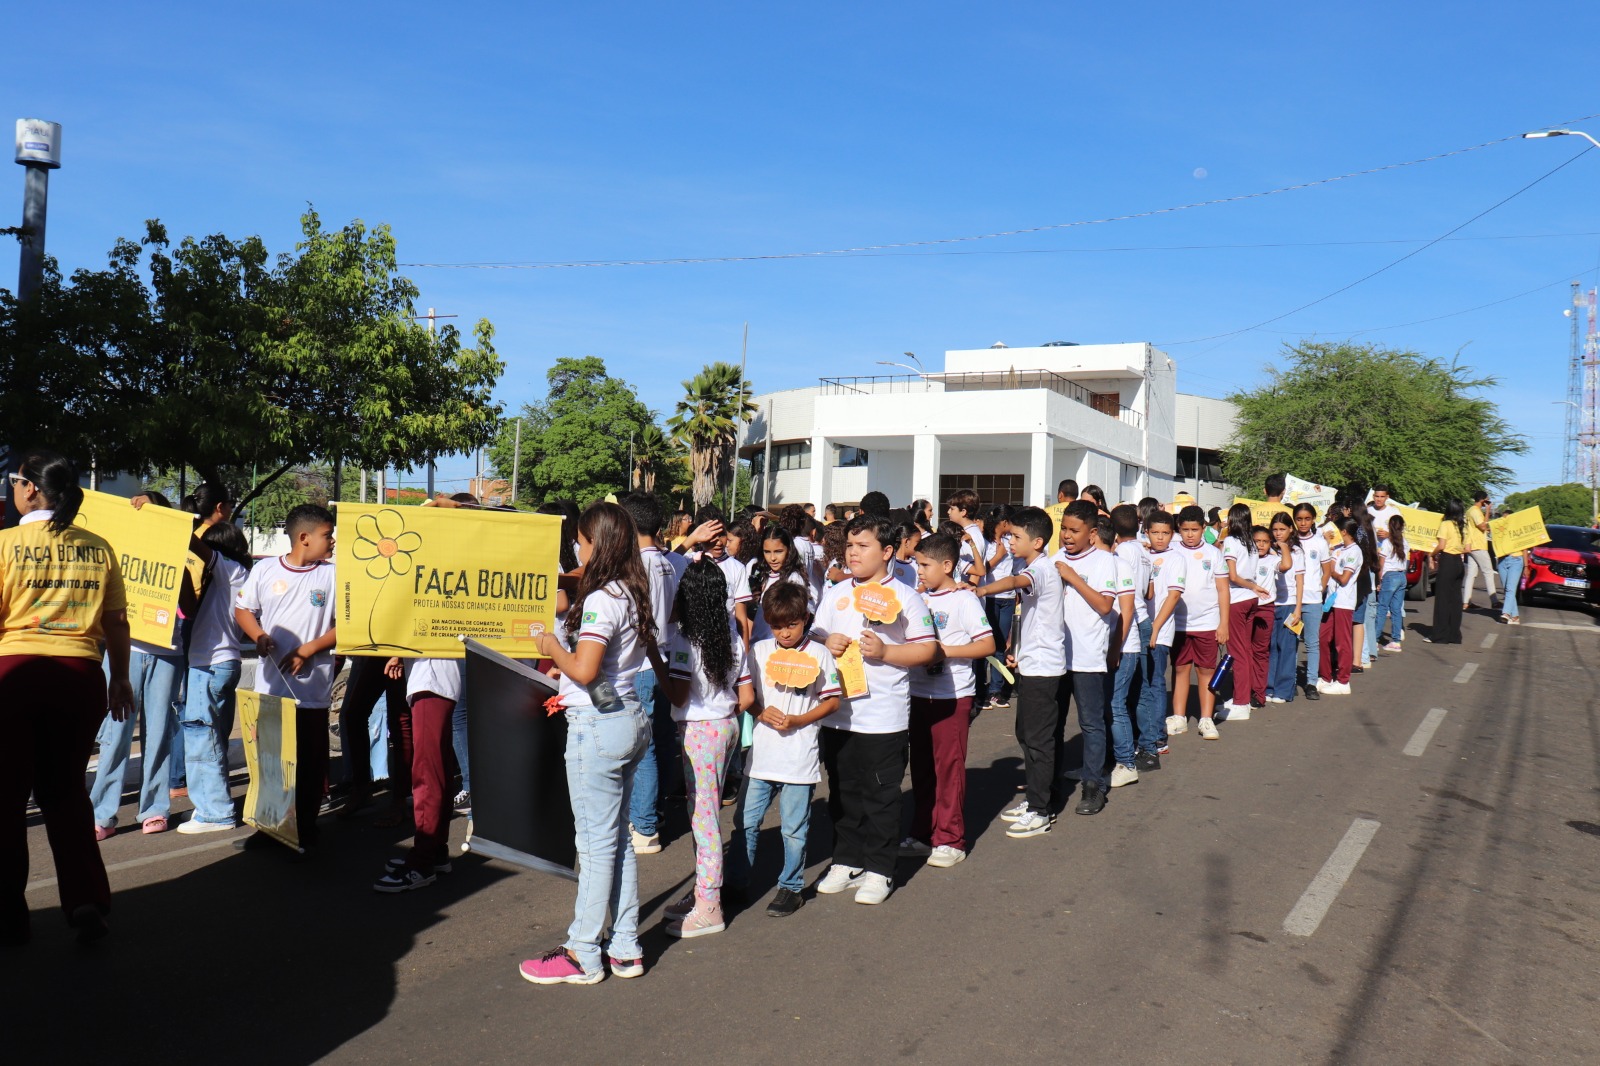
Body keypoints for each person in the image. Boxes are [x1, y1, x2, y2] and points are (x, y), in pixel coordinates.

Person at [521, 503, 659, 985]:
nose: (576, 548)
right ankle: (624, 946)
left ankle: (583, 951)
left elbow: (585, 669)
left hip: (598, 727)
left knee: (598, 845)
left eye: (580, 541)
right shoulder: (633, 590)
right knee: (615, 841)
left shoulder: (601, 598)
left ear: (596, 544)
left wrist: (552, 647)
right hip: (626, 719)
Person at [1, 451, 134, 945]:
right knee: (66, 794)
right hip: (81, 676)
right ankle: (85, 901)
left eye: (13, 481)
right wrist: (120, 678)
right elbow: (117, 622)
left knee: (6, 800)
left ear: (31, 489)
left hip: (14, 674)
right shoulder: (98, 547)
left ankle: (10, 919)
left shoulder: (6, 545)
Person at [811, 514, 937, 904]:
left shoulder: (906, 595)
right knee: (843, 792)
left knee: (881, 795)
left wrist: (887, 652)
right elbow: (815, 633)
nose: (852, 553)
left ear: (886, 552)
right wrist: (825, 639)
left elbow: (928, 648)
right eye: (849, 545)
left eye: (862, 546)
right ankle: (846, 860)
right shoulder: (835, 592)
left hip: (883, 716)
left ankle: (880, 869)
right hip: (838, 712)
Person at [727, 583, 841, 916]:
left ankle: (790, 888)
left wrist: (801, 719)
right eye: (777, 625)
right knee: (745, 823)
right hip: (760, 759)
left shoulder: (819, 653)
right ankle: (736, 882)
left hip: (798, 758)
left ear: (805, 618)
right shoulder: (759, 650)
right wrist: (759, 712)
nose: (785, 632)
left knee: (794, 828)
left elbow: (833, 700)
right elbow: (747, 699)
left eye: (791, 624)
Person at [233, 504, 338, 851]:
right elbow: (244, 609)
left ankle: (304, 831)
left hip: (312, 693)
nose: (333, 541)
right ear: (304, 538)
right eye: (327, 535)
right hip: (271, 692)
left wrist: (309, 650)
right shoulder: (264, 570)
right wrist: (259, 637)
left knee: (308, 767)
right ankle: (272, 829)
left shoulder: (333, 575)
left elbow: (348, 625)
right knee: (272, 766)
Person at [660, 559, 755, 938]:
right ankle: (703, 892)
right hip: (725, 726)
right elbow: (745, 696)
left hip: (700, 730)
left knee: (704, 819)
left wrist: (654, 656)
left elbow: (678, 693)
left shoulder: (685, 640)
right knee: (704, 814)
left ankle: (709, 906)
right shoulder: (732, 636)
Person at [87, 490, 190, 838]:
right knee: (116, 732)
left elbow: (189, 604)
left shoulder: (178, 554)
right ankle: (102, 813)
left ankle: (154, 809)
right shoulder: (118, 551)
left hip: (167, 651)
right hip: (124, 650)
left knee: (159, 731)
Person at [903, 533, 994, 865]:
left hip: (952, 696)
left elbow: (987, 645)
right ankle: (922, 833)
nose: (920, 571)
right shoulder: (917, 598)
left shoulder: (963, 600)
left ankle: (951, 840)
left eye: (925, 565)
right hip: (917, 694)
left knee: (949, 769)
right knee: (922, 768)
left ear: (947, 565)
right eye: (916, 563)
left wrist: (945, 651)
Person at [975, 507, 1063, 833]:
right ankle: (1039, 798)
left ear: (1037, 541)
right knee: (1026, 734)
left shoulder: (1040, 569)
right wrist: (1015, 649)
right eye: (1009, 535)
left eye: (1016, 537)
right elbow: (1027, 611)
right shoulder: (1035, 565)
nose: (1010, 541)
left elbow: (1017, 582)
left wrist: (982, 589)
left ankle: (1041, 810)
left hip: (1044, 668)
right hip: (1030, 664)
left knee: (1038, 739)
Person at [176, 521, 252, 833]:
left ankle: (214, 812)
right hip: (218, 663)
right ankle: (210, 804)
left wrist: (163, 521)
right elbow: (189, 608)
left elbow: (195, 546)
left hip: (211, 663)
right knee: (212, 738)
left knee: (200, 736)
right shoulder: (231, 577)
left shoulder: (230, 570)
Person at [622, 493, 685, 856]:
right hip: (663, 660)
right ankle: (654, 814)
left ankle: (644, 826)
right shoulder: (667, 562)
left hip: (645, 663)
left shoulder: (639, 566)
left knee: (642, 748)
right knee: (659, 742)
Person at [1048, 502, 1119, 814]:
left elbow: (1105, 607)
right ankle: (1048, 785)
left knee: (1091, 723)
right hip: (1054, 656)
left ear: (1092, 534)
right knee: (1053, 723)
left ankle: (1094, 785)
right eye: (1064, 528)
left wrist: (1074, 578)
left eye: (1074, 530)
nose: (1066, 535)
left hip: (1087, 656)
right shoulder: (1055, 559)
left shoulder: (1105, 561)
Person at [371, 650, 461, 892]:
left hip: (431, 680)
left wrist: (399, 651)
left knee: (426, 777)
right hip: (433, 680)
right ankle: (435, 852)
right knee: (437, 772)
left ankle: (421, 864)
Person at [1170, 505, 1230, 740]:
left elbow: (1223, 590)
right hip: (1178, 624)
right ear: (1179, 529)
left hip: (1207, 622)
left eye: (1195, 529)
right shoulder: (1172, 550)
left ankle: (1206, 719)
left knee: (1206, 670)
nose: (1190, 534)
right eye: (1185, 530)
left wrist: (1223, 623)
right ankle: (1178, 717)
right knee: (1180, 668)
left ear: (1203, 528)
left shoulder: (1214, 554)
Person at [1107, 505, 1152, 787]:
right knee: (1136, 692)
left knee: (1118, 701)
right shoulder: (1143, 551)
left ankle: (1127, 759)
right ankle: (1136, 747)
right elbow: (1149, 590)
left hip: (1129, 627)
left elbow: (1129, 600)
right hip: (1137, 620)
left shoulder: (1122, 555)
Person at [1140, 510, 1187, 761]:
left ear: (1173, 534)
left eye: (1165, 533)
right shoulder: (1141, 552)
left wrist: (1156, 627)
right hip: (1137, 627)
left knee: (1155, 681)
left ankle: (1158, 736)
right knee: (1140, 683)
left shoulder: (1176, 559)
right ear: (1145, 532)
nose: (1160, 538)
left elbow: (1174, 595)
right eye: (1155, 532)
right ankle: (1142, 734)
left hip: (1160, 629)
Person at [1219, 505, 1267, 723]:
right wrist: (1253, 588)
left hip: (1238, 598)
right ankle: (1243, 697)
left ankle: (1240, 702)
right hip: (1250, 599)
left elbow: (1232, 575)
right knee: (1245, 650)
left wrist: (1250, 586)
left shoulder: (1231, 541)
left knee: (1237, 651)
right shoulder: (1252, 543)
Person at [977, 504, 1017, 710]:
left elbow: (1018, 567)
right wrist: (998, 557)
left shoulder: (1012, 542)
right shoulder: (984, 542)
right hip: (989, 597)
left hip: (1008, 598)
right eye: (1010, 522)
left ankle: (996, 691)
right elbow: (979, 570)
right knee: (987, 645)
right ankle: (981, 690)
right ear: (1003, 523)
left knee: (1001, 644)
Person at [1318, 518, 1363, 694]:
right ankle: (1325, 676)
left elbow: (1344, 579)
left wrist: (1331, 569)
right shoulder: (1338, 549)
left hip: (1344, 602)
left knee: (1342, 642)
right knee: (1323, 637)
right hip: (1331, 600)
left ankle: (1343, 681)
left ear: (1344, 532)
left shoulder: (1354, 551)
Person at [1294, 504, 1333, 702]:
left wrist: (1321, 587)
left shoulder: (1320, 542)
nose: (1303, 523)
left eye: (1307, 519)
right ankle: (1290, 680)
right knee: (1291, 642)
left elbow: (1327, 569)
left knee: (1312, 642)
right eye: (1299, 519)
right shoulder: (1289, 540)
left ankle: (1311, 682)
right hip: (1292, 601)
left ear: (1313, 519)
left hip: (1313, 600)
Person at [1265, 513, 1305, 704]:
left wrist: (1298, 609)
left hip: (1289, 604)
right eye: (1275, 529)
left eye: (1282, 529)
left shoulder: (1297, 551)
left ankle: (1283, 690)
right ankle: (1269, 687)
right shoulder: (1267, 548)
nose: (1278, 533)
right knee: (1270, 647)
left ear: (1291, 529)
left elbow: (1299, 581)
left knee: (1287, 647)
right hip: (1270, 603)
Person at [1427, 501, 1468, 645]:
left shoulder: (1446, 524)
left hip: (1448, 561)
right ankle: (1454, 634)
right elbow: (1467, 548)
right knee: (1456, 600)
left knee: (1443, 600)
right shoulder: (1463, 526)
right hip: (1459, 562)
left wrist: (1432, 554)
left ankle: (1440, 635)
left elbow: (1442, 545)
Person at [1373, 514, 1409, 650]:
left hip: (1389, 576)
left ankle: (1374, 639)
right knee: (1396, 609)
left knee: (1382, 608)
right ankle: (1396, 640)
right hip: (1401, 576)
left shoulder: (1387, 543)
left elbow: (1381, 564)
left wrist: (1379, 580)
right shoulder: (1405, 542)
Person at [1462, 490, 1495, 611]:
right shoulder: (1475, 511)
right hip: (1478, 545)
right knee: (1488, 572)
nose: (1488, 502)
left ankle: (1466, 602)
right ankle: (1494, 601)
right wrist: (1487, 512)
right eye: (1487, 499)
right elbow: (1482, 526)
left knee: (1471, 574)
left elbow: (1482, 525)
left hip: (1471, 545)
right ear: (1483, 500)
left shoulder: (1471, 510)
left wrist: (1486, 513)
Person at [1498, 542, 1527, 626]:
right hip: (1502, 559)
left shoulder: (1518, 528)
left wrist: (1526, 566)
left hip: (1516, 560)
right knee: (1506, 589)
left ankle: (1506, 613)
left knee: (1510, 588)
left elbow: (1525, 548)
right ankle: (1515, 617)